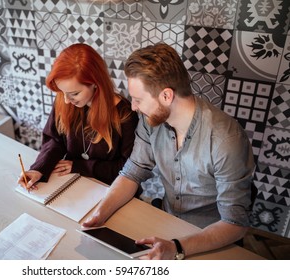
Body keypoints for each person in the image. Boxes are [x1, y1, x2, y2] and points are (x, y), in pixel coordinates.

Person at [83, 43, 255, 260]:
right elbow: (132, 172)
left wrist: (177, 247)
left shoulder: (226, 140)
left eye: (138, 100)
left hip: (208, 239)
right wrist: (100, 214)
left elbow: (235, 224)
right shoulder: (150, 121)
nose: (134, 107)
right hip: (166, 222)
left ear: (166, 96)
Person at [18, 43, 138, 190]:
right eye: (62, 92)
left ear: (95, 83)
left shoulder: (125, 115)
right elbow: (54, 140)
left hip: (110, 190)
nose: (67, 100)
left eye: (75, 94)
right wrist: (39, 169)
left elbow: (128, 169)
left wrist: (81, 166)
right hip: (73, 184)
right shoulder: (65, 100)